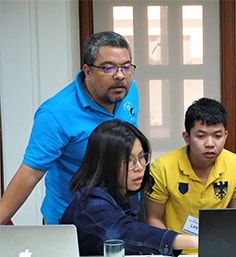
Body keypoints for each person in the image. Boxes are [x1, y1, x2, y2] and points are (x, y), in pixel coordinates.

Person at [0, 31, 140, 224]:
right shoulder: (55, 114)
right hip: (71, 221)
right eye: (108, 68)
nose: (120, 76)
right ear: (87, 70)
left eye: (126, 67)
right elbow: (30, 173)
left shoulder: (129, 91)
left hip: (120, 215)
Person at [60, 120, 198, 255]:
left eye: (141, 157)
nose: (139, 167)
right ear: (106, 164)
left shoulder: (125, 188)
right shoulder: (92, 199)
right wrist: (191, 242)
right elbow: (125, 232)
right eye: (128, 161)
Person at [145, 98, 236, 255]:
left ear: (225, 136)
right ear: (186, 137)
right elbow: (153, 219)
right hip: (174, 254)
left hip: (219, 253)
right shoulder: (163, 167)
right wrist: (170, 253)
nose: (210, 143)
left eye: (217, 136)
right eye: (201, 136)